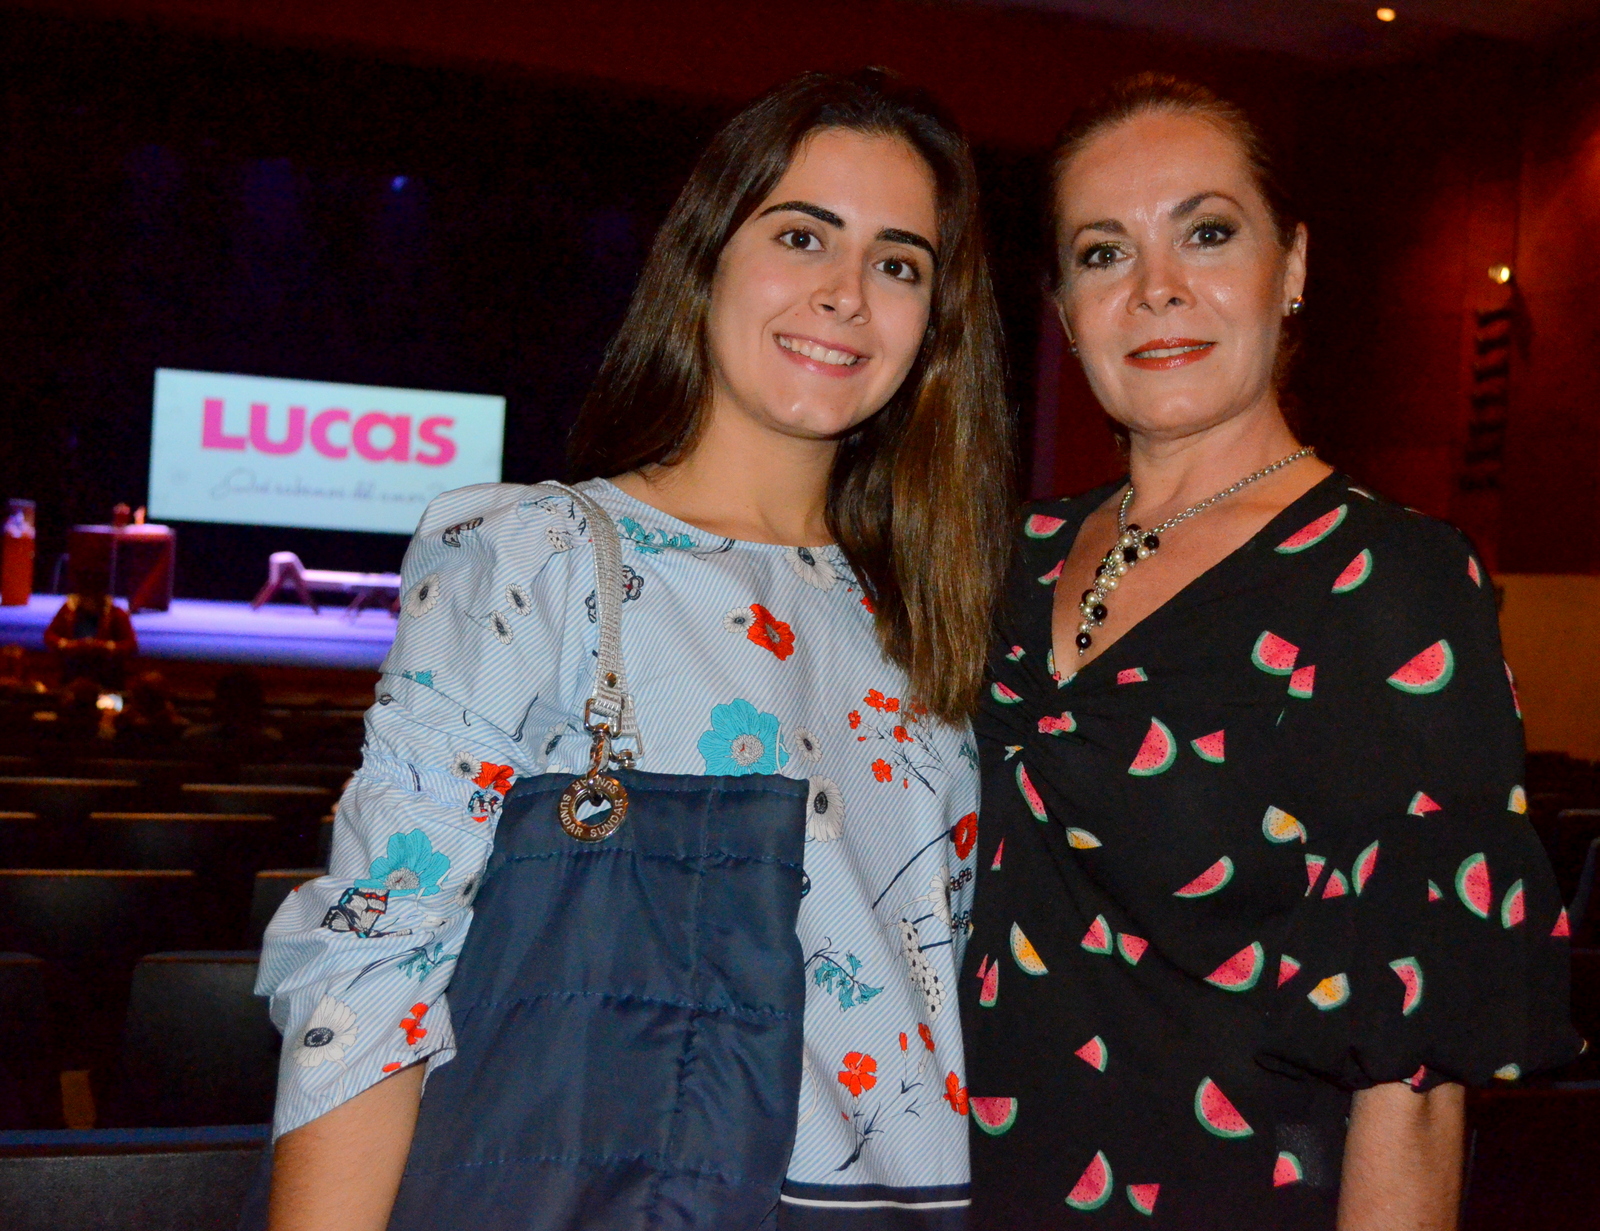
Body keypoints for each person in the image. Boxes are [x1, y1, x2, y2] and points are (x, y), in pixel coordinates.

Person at [255, 68, 1012, 1231]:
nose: (846, 293)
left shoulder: (936, 609)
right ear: (706, 257)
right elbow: (372, 962)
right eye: (802, 235)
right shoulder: (544, 557)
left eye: (898, 262)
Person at [961, 74, 1578, 1231]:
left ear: (1290, 266)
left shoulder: (1390, 580)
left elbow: (1413, 1076)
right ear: (1064, 309)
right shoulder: (1011, 556)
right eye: (1103, 252)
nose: (1155, 287)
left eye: (1206, 232)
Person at [42, 574, 137, 691]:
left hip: (106, 672)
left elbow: (131, 644)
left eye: (93, 596)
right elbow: (49, 636)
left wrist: (106, 646)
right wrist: (67, 644)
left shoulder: (115, 613)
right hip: (73, 670)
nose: (89, 600)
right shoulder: (68, 611)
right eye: (86, 595)